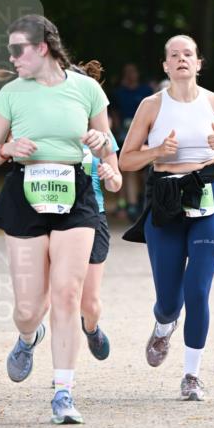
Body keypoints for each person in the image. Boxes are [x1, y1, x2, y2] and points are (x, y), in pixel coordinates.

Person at [0, 14, 117, 425]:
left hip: (74, 193)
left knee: (67, 294)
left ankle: (63, 393)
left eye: (18, 49)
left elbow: (110, 156)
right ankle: (28, 336)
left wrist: (105, 158)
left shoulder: (87, 90)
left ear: (42, 48)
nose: (12, 57)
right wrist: (7, 148)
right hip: (24, 194)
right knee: (27, 308)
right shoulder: (11, 94)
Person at [118, 34, 214, 400]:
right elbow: (126, 160)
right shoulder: (151, 106)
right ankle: (163, 324)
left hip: (207, 194)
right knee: (171, 300)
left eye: (188, 54)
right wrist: (157, 150)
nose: (182, 59)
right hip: (166, 197)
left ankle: (192, 376)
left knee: (198, 289)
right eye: (174, 55)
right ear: (165, 66)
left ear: (199, 63)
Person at [79, 71, 123, 359]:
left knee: (89, 304)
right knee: (61, 297)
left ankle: (92, 328)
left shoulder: (102, 136)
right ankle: (63, 364)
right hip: (54, 217)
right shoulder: (47, 128)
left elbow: (116, 183)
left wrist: (109, 174)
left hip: (93, 216)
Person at [112, 63, 154, 221]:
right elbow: (115, 115)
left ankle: (144, 200)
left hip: (148, 136)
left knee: (146, 172)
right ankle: (131, 205)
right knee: (128, 169)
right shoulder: (118, 93)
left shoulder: (146, 91)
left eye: (133, 71)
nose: (130, 74)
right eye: (127, 72)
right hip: (124, 134)